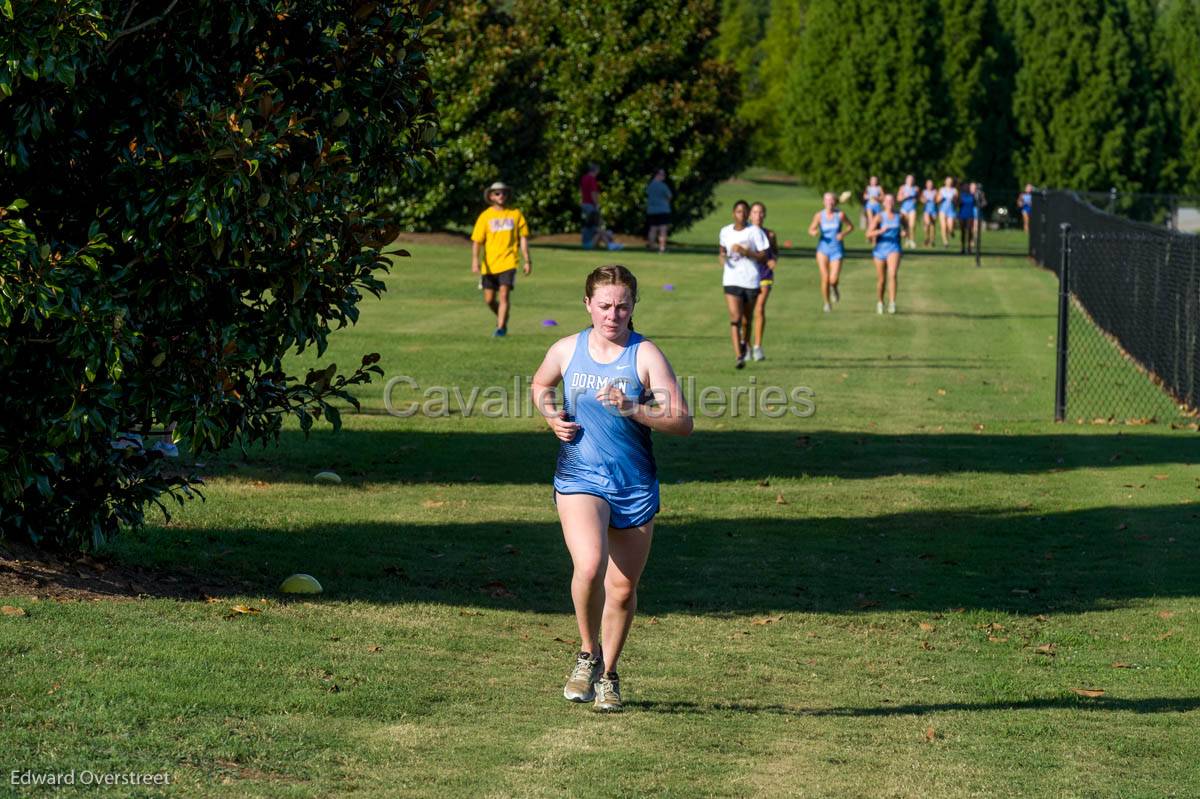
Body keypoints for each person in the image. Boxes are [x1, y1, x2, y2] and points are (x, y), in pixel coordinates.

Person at [531, 264, 693, 713]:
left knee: (622, 589)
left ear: (633, 306)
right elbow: (540, 384)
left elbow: (682, 421)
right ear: (587, 304)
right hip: (580, 476)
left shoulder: (646, 355)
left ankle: (609, 674)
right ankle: (586, 653)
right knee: (590, 563)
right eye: (604, 305)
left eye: (622, 305)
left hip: (634, 483)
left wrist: (634, 408)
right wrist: (550, 417)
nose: (613, 314)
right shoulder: (567, 349)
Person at [470, 181, 531, 337]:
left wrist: (527, 260)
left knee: (504, 295)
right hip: (489, 265)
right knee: (489, 300)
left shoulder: (515, 214)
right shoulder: (485, 216)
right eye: (497, 193)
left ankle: (501, 328)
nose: (501, 195)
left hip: (509, 262)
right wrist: (475, 260)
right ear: (491, 196)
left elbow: (523, 238)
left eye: (503, 192)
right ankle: (502, 315)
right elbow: (477, 241)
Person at [718, 200, 771, 368]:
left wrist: (746, 251)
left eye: (745, 211)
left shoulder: (755, 232)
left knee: (747, 320)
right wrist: (722, 258)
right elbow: (721, 252)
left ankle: (745, 343)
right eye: (739, 211)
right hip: (731, 279)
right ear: (734, 213)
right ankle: (739, 356)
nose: (742, 214)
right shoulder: (725, 231)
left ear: (748, 214)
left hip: (751, 280)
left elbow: (764, 257)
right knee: (735, 318)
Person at [807, 191, 853, 313]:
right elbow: (811, 229)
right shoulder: (819, 216)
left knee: (833, 279)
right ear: (823, 202)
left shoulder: (840, 215)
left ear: (835, 201)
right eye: (827, 200)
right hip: (822, 249)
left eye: (831, 200)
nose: (829, 202)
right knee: (825, 277)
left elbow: (850, 227)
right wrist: (814, 232)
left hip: (837, 249)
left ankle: (834, 288)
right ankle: (827, 303)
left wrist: (843, 233)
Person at [748, 202, 779, 360]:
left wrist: (773, 261)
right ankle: (745, 345)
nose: (758, 215)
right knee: (745, 313)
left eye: (761, 212)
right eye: (755, 212)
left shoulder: (770, 234)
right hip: (745, 277)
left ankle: (757, 346)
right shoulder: (744, 234)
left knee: (759, 309)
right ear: (749, 215)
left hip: (764, 276)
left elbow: (773, 254)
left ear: (764, 215)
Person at [866, 193, 906, 314]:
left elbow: (906, 227)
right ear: (883, 204)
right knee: (881, 280)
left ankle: (892, 303)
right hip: (879, 250)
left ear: (894, 203)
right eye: (887, 201)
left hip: (894, 248)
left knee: (892, 274)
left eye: (892, 201)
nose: (889, 203)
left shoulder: (900, 216)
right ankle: (880, 302)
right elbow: (868, 234)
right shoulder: (879, 217)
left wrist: (905, 233)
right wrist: (880, 231)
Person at [645, 169, 672, 253]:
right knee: (663, 229)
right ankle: (662, 248)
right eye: (662, 174)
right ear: (657, 175)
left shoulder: (650, 185)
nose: (664, 176)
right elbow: (669, 196)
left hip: (651, 210)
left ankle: (651, 246)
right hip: (663, 210)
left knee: (652, 229)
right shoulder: (662, 185)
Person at [580, 164, 601, 249]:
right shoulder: (592, 179)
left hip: (584, 203)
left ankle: (592, 244)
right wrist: (596, 203)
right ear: (595, 170)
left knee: (587, 224)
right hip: (590, 204)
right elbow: (593, 193)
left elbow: (581, 191)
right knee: (593, 225)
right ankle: (590, 244)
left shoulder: (584, 177)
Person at [897, 174, 919, 249]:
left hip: (912, 208)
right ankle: (907, 239)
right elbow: (898, 199)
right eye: (909, 179)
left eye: (911, 179)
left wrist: (916, 200)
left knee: (912, 225)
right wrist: (904, 197)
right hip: (904, 209)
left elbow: (918, 198)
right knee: (905, 227)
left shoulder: (916, 188)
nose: (910, 181)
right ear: (906, 180)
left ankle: (912, 240)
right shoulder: (902, 188)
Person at [959, 181, 980, 255]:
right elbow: (958, 204)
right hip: (962, 215)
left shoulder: (973, 195)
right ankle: (962, 248)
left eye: (967, 187)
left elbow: (978, 203)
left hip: (970, 215)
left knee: (970, 231)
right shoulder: (961, 195)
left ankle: (969, 248)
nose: (966, 188)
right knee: (963, 232)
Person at [937, 176, 958, 248]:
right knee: (943, 226)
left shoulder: (954, 190)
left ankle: (951, 232)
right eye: (947, 181)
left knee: (950, 226)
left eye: (950, 181)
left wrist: (954, 199)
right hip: (942, 210)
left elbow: (956, 202)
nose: (949, 182)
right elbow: (937, 200)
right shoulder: (941, 190)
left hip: (951, 210)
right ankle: (945, 242)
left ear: (952, 182)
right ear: (945, 182)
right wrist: (940, 198)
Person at [921, 179, 938, 247]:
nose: (930, 185)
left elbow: (938, 200)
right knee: (927, 224)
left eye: (931, 184)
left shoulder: (935, 191)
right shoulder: (924, 192)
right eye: (928, 184)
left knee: (933, 225)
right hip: (926, 210)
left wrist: (935, 199)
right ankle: (927, 237)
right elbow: (921, 199)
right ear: (926, 185)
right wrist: (924, 200)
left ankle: (932, 240)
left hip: (934, 210)